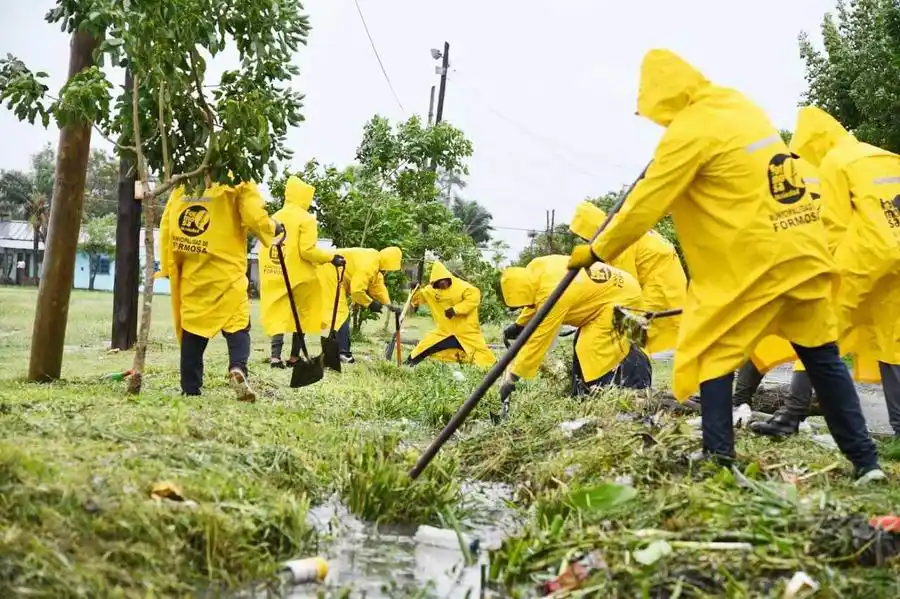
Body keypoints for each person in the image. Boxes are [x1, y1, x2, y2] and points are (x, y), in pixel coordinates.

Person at [566, 49, 883, 482]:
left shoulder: (689, 131)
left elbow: (644, 206)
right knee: (821, 355)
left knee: (712, 353)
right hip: (802, 251)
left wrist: (597, 248)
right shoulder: (738, 106)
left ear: (664, 95)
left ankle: (719, 458)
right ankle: (867, 464)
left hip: (752, 263)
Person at [749, 107, 900, 438]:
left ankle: (791, 415)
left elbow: (834, 225)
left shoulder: (835, 160)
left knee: (818, 333)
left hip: (863, 257)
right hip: (896, 258)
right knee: (893, 342)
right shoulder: (885, 157)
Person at [158, 179, 281, 402]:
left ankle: (190, 387)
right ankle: (238, 367)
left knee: (193, 329)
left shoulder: (185, 180)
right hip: (227, 272)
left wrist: (168, 265)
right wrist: (274, 227)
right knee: (238, 324)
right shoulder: (237, 178)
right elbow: (255, 216)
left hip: (193, 274)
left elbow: (167, 222)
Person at [498, 255, 645, 409]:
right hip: (616, 290)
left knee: (592, 348)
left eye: (523, 305)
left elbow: (539, 340)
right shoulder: (536, 271)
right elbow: (536, 302)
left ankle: (607, 397)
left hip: (624, 298)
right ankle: (582, 395)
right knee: (582, 345)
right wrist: (519, 325)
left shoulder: (554, 292)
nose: (525, 308)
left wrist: (512, 377)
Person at [570, 200, 686, 354]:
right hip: (666, 278)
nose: (586, 241)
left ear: (592, 230)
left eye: (585, 237)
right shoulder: (617, 227)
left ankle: (635, 365)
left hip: (660, 283)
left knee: (635, 327)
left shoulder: (617, 239)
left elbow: (625, 285)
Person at [259, 175, 344, 368]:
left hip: (273, 272)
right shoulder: (306, 219)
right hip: (299, 276)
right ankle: (295, 356)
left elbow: (265, 245)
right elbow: (307, 251)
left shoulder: (275, 217)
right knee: (302, 314)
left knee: (278, 314)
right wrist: (331, 258)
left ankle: (274, 357)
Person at [317, 246, 403, 363]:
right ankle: (343, 353)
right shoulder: (369, 264)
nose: (388, 271)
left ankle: (330, 352)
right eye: (389, 268)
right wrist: (370, 303)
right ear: (386, 262)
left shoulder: (376, 265)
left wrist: (389, 304)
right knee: (339, 313)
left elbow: (377, 287)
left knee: (332, 315)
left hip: (336, 276)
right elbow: (357, 291)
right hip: (329, 273)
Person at [406, 261, 496, 367]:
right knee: (425, 345)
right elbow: (418, 299)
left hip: (466, 331)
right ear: (434, 283)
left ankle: (495, 367)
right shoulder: (432, 291)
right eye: (439, 283)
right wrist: (414, 289)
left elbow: (473, 299)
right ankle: (408, 363)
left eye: (443, 282)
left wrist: (455, 310)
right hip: (444, 331)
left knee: (481, 352)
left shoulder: (464, 287)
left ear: (448, 277)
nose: (442, 285)